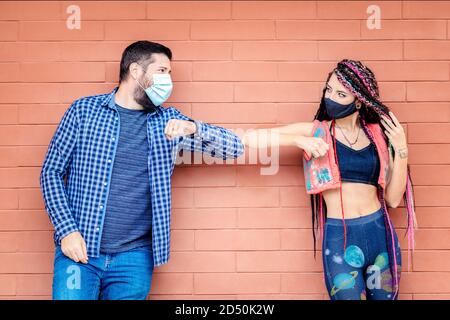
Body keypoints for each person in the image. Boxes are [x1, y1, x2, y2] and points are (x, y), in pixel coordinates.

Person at [40, 40, 244, 300]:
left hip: (135, 259)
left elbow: (234, 147)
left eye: (169, 73)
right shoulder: (84, 112)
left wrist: (194, 128)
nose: (168, 80)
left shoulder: (168, 122)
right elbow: (51, 172)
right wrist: (66, 230)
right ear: (136, 71)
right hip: (79, 252)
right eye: (162, 71)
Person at [243, 59, 417, 300]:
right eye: (328, 90)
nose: (330, 97)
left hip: (380, 233)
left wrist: (402, 149)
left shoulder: (378, 135)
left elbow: (394, 199)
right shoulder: (315, 131)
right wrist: (297, 141)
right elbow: (250, 138)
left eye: (340, 94)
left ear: (358, 100)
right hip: (340, 237)